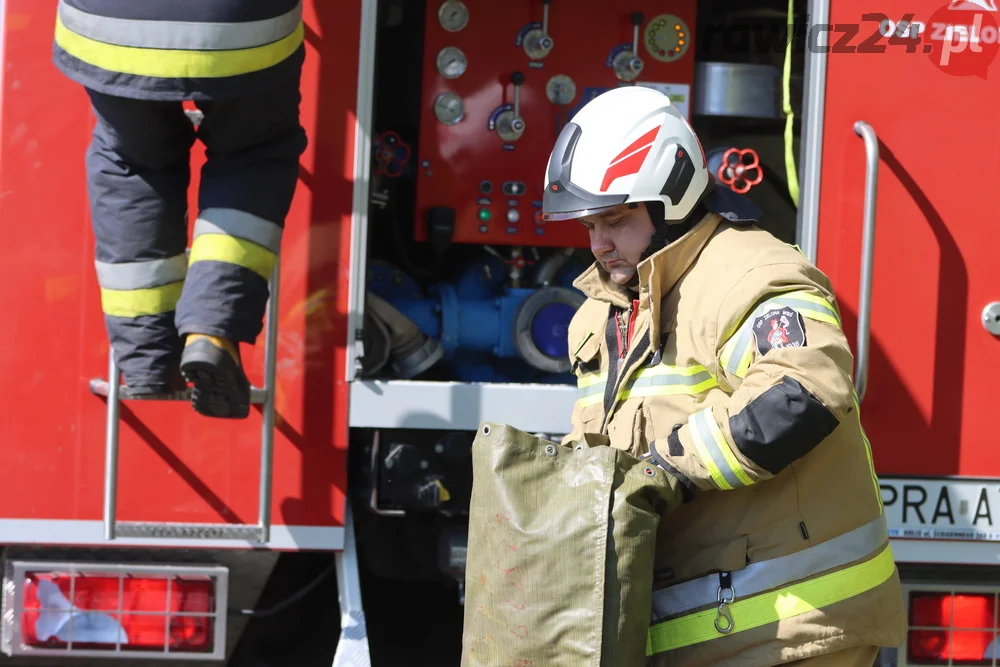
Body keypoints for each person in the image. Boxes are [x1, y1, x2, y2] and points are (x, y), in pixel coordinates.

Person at [542, 86, 906, 666]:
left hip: (792, 628)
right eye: (589, 225)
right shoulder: (603, 311)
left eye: (616, 220)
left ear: (672, 200)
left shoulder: (752, 274)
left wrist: (667, 471)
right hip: (698, 626)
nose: (599, 244)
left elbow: (803, 393)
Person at [51, 0, 308, 418]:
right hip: (238, 27)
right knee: (253, 154)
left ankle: (147, 360)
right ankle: (212, 332)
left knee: (132, 163)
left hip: (108, 26)